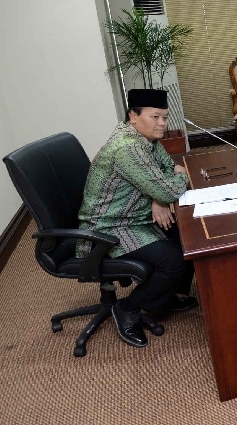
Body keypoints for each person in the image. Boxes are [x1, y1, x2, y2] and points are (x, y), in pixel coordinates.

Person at [77, 89, 196, 349]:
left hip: (135, 215)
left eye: (164, 117)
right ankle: (127, 308)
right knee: (174, 260)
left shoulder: (145, 138)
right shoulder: (128, 148)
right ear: (133, 116)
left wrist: (158, 198)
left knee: (190, 238)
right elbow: (170, 182)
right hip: (108, 229)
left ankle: (165, 295)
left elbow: (165, 169)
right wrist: (168, 187)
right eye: (155, 117)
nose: (162, 124)